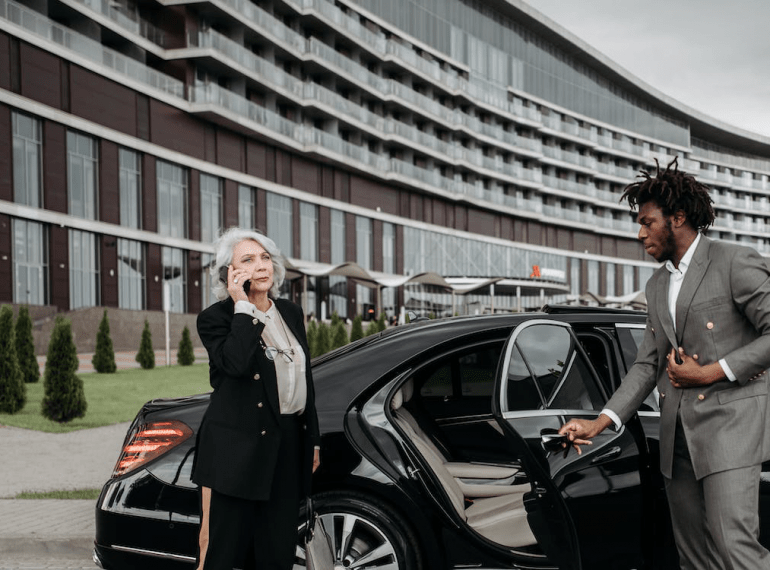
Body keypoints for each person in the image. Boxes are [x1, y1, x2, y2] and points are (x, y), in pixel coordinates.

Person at [559, 158, 770, 569]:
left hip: (730, 431)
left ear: (678, 218)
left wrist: (712, 371)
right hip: (676, 441)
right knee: (693, 557)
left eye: (647, 222)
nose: (640, 234)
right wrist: (598, 423)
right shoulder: (656, 285)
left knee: (734, 549)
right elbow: (645, 366)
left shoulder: (733, 261)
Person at [193, 228, 321, 570]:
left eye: (265, 257)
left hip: (287, 445)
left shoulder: (291, 313)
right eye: (247, 260)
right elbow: (235, 364)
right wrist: (244, 308)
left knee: (277, 551)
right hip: (239, 451)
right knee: (226, 553)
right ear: (229, 274)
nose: (261, 265)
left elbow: (304, 378)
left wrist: (314, 440)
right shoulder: (215, 319)